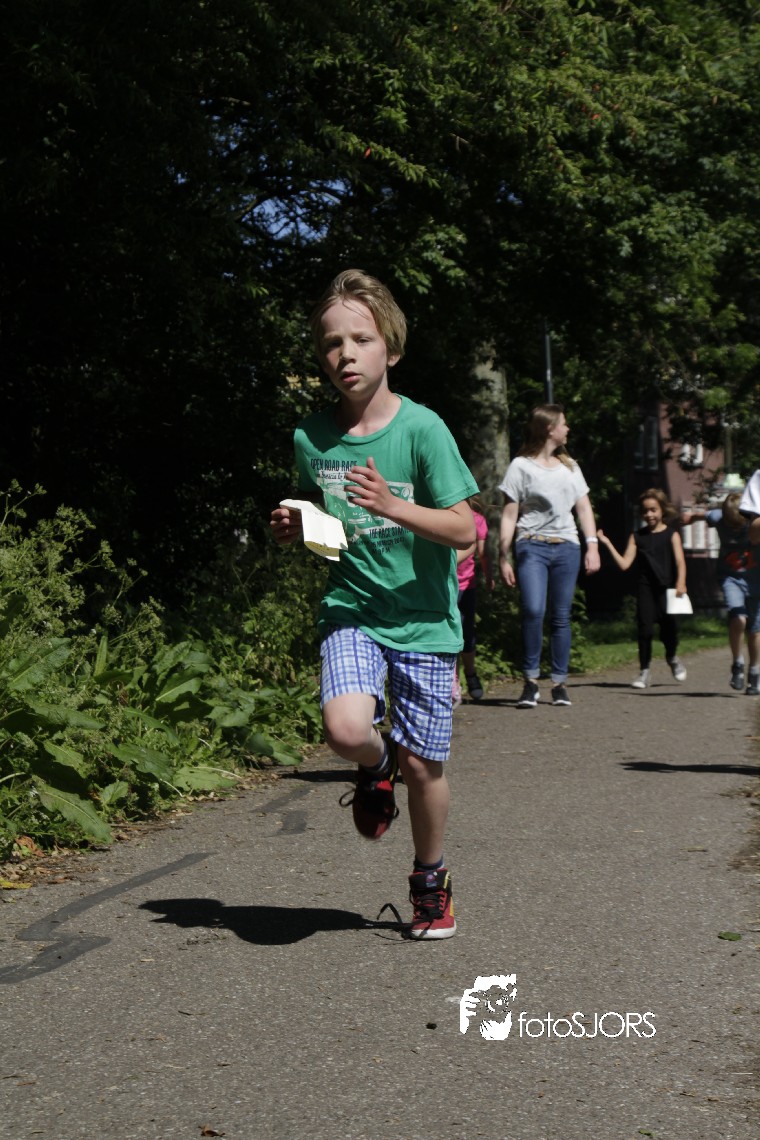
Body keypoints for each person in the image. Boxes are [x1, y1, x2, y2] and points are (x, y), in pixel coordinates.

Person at [270, 268, 477, 939]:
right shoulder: (312, 438)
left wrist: (394, 505)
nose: (346, 354)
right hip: (353, 609)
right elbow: (337, 534)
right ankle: (373, 763)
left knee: (424, 766)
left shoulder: (422, 429)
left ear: (391, 347)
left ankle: (430, 880)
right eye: (332, 343)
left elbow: (464, 532)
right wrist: (303, 526)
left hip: (425, 620)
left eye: (361, 339)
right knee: (345, 730)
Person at [498, 404, 601, 708]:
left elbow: (584, 508)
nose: (567, 429)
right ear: (549, 428)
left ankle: (559, 683)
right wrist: (502, 555)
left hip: (567, 546)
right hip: (532, 545)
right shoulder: (520, 466)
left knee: (561, 615)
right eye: (563, 424)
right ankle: (530, 681)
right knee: (533, 610)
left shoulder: (570, 467)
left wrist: (592, 545)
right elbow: (509, 513)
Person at [598, 488, 688, 688]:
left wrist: (681, 582)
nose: (649, 514)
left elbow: (680, 561)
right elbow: (624, 564)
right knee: (645, 630)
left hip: (668, 589)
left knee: (669, 630)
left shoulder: (672, 535)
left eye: (653, 510)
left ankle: (672, 657)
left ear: (662, 510)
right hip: (646, 588)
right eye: (645, 511)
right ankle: (644, 671)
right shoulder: (637, 537)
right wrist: (607, 543)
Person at [683, 493, 759, 693]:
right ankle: (738, 664)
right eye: (730, 526)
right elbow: (700, 515)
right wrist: (686, 518)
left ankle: (754, 673)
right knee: (738, 618)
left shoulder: (755, 522)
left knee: (755, 631)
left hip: (756, 582)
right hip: (730, 577)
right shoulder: (718, 517)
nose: (735, 530)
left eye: (739, 526)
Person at [453, 495, 494, 707]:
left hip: (466, 584)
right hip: (444, 585)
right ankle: (454, 683)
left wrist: (489, 576)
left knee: (466, 634)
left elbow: (482, 552)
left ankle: (470, 673)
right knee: (450, 634)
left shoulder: (477, 519)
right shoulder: (440, 516)